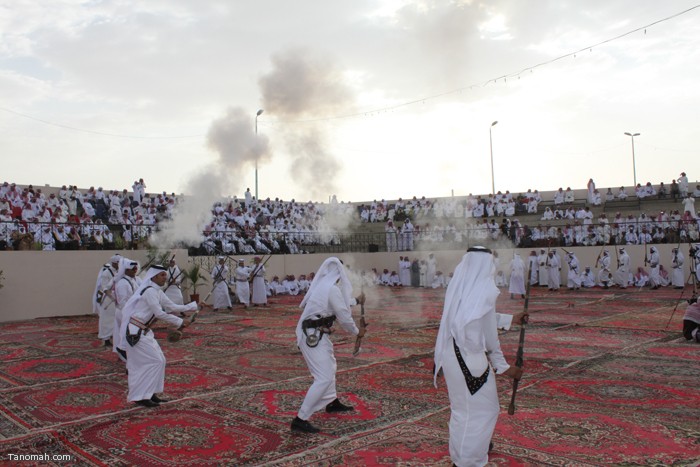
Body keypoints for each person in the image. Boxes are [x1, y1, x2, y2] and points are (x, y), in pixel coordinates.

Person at [433, 247, 524, 466]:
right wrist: (504, 367)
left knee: (462, 410)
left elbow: (478, 317)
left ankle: (464, 454)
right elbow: (490, 338)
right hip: (470, 360)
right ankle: (470, 460)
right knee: (484, 411)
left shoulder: (461, 286)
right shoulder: (485, 290)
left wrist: (511, 319)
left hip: (451, 354)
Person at [292, 257, 366, 433]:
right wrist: (357, 332)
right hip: (312, 336)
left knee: (330, 367)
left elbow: (339, 302)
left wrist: (356, 300)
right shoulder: (331, 289)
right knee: (323, 377)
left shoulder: (324, 287)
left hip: (317, 334)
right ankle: (300, 419)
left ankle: (331, 402)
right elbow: (342, 314)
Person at [120, 265, 202, 407]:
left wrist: (194, 305)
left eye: (165, 275)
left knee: (160, 360)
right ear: (154, 277)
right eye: (162, 275)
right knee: (154, 361)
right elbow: (159, 313)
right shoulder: (150, 292)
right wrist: (181, 321)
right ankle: (141, 396)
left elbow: (172, 307)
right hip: (136, 332)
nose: (166, 277)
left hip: (145, 331)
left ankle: (150, 393)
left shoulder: (157, 291)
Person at [113, 260, 140, 362]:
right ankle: (123, 352)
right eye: (133, 269)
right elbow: (123, 302)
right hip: (124, 312)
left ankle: (129, 353)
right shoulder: (123, 283)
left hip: (130, 311)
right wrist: (131, 313)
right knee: (125, 333)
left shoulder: (131, 281)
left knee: (126, 332)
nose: (135, 271)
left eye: (136, 269)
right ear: (126, 270)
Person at [93, 254, 121, 347]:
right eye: (118, 263)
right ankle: (106, 338)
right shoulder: (106, 273)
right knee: (106, 320)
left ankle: (115, 337)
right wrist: (112, 296)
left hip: (116, 299)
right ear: (113, 263)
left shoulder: (119, 272)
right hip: (107, 300)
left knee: (116, 319)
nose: (120, 264)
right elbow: (104, 287)